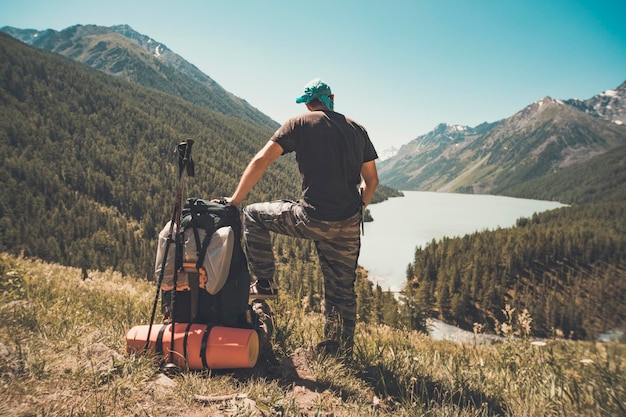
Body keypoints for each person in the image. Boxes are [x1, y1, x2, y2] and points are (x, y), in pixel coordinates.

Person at [224, 78, 379, 356]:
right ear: (332, 98)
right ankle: (337, 353)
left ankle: (265, 283)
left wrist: (234, 201)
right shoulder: (358, 129)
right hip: (348, 224)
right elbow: (372, 181)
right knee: (342, 291)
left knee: (253, 214)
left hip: (310, 218)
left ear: (309, 103)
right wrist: (358, 211)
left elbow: (262, 160)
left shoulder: (299, 123)